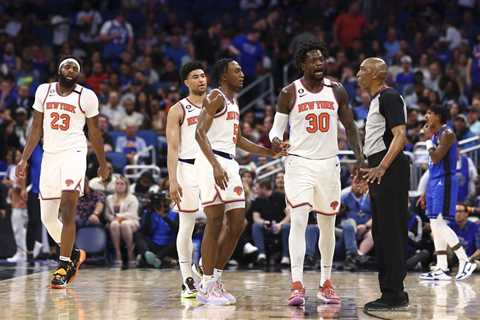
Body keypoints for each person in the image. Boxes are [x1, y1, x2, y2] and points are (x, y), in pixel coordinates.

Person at [269, 41, 364, 306]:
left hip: (328, 165)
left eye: (322, 59)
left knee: (327, 225)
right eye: (314, 60)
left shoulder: (337, 90)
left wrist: (360, 160)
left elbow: (351, 126)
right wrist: (276, 141)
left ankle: (326, 283)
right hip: (299, 164)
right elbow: (276, 130)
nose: (320, 64)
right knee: (298, 220)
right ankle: (297, 283)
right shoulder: (289, 92)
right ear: (302, 64)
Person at [195, 58, 284, 305]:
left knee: (237, 223)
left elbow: (238, 139)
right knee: (214, 221)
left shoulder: (234, 101)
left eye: (242, 69)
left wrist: (269, 152)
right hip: (211, 162)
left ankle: (216, 278)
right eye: (237, 71)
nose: (242, 74)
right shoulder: (215, 97)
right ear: (224, 76)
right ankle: (206, 284)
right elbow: (199, 133)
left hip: (230, 163)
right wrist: (214, 166)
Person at [16, 56, 109, 288]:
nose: (71, 69)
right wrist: (24, 159)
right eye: (67, 66)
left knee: (68, 208)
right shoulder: (43, 91)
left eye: (75, 67)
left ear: (78, 74)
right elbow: (36, 128)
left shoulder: (87, 96)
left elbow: (94, 132)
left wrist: (102, 162)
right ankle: (75, 253)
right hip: (50, 156)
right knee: (47, 217)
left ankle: (64, 263)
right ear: (59, 70)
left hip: (74, 153)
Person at [358, 57, 409, 311]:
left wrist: (382, 166)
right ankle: (389, 291)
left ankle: (395, 293)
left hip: (391, 168)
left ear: (377, 74)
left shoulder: (389, 97)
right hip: (380, 167)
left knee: (390, 232)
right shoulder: (377, 100)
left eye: (363, 70)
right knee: (380, 232)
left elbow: (400, 136)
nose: (358, 75)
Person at [418, 106, 476, 281]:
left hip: (446, 181)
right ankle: (442, 267)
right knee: (435, 225)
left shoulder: (447, 133)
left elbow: (436, 158)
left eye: (429, 113)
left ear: (438, 116)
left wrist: (428, 141)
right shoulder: (437, 134)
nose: (426, 116)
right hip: (435, 181)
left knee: (441, 224)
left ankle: (465, 261)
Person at [166, 61, 207, 298]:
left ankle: (203, 262)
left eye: (203, 75)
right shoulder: (178, 109)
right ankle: (187, 278)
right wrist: (173, 180)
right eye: (196, 76)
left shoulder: (215, 105)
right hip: (187, 168)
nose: (201, 79)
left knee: (220, 217)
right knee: (187, 224)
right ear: (186, 82)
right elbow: (172, 148)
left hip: (211, 168)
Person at [135, 190, 179, 269]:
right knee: (138, 234)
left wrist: (164, 217)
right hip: (154, 244)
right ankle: (147, 254)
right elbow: (145, 231)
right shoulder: (149, 213)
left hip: (168, 246)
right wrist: (148, 212)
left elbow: (177, 229)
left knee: (178, 239)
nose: (160, 205)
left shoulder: (174, 213)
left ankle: (157, 258)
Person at [104, 176, 139, 268]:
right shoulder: (109, 198)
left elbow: (132, 214)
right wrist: (113, 218)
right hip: (114, 222)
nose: (119, 186)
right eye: (117, 183)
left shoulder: (132, 198)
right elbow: (107, 214)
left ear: (127, 186)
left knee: (124, 224)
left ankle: (130, 253)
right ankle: (118, 254)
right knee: (114, 224)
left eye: (122, 184)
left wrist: (119, 217)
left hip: (131, 221)